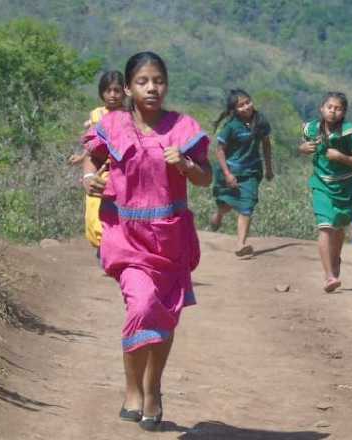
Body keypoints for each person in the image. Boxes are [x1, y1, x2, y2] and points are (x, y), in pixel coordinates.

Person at [81, 52, 212, 431]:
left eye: (158, 80)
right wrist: (90, 180)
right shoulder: (114, 124)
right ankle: (131, 387)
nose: (152, 87)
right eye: (143, 81)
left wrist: (186, 166)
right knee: (141, 304)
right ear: (127, 88)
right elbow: (92, 160)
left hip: (170, 238)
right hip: (127, 235)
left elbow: (206, 178)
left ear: (166, 84)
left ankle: (153, 387)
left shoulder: (183, 128)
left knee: (165, 313)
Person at [298, 92, 352, 292]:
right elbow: (302, 146)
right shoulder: (312, 129)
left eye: (338, 108)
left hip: (346, 187)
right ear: (322, 108)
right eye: (330, 107)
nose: (333, 111)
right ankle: (329, 276)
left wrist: (340, 157)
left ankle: (335, 259)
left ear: (344, 112)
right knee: (325, 227)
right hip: (321, 185)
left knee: (338, 227)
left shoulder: (349, 133)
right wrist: (303, 148)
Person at [209, 89, 274, 257]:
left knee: (247, 205)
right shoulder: (231, 127)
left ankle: (241, 244)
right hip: (230, 171)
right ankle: (219, 214)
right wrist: (228, 174)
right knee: (226, 205)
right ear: (234, 110)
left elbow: (266, 144)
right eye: (241, 105)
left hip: (252, 171)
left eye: (248, 102)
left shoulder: (260, 121)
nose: (246, 107)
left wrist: (269, 168)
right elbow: (220, 150)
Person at [72, 71, 124, 255]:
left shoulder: (130, 115)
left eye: (117, 90)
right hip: (100, 170)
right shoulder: (96, 115)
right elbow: (93, 143)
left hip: (122, 171)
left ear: (124, 92)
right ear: (102, 92)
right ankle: (102, 245)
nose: (113, 95)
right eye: (108, 90)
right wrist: (81, 157)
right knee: (94, 208)